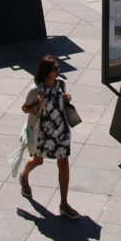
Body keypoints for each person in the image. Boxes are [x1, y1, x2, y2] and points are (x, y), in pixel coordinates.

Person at [19, 55, 80, 220]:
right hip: (44, 133)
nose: (58, 71)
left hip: (61, 130)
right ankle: (24, 176)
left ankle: (64, 204)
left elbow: (62, 99)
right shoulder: (36, 90)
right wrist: (36, 105)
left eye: (58, 68)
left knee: (64, 162)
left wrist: (66, 98)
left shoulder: (60, 83)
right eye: (55, 69)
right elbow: (25, 108)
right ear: (46, 72)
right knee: (38, 160)